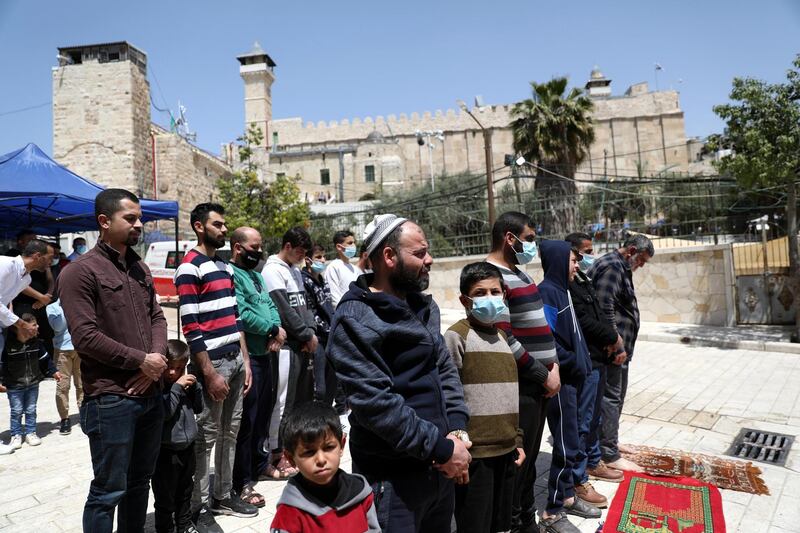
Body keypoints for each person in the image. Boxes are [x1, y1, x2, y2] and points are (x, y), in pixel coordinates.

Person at [327, 213, 471, 533]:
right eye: (419, 253)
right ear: (389, 257)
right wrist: (442, 448)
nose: (430, 259)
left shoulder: (422, 307)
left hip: (439, 468)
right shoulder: (354, 318)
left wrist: (457, 432)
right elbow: (376, 405)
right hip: (394, 482)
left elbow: (443, 368)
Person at [59, 188, 168, 532]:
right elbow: (86, 338)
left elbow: (158, 318)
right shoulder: (80, 272)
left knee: (139, 483)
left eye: (140, 218)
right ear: (104, 222)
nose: (139, 224)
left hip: (150, 393)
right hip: (110, 400)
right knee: (108, 491)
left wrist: (157, 361)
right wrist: (141, 361)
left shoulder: (139, 267)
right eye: (131, 218)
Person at [174, 202, 257, 532]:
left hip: (235, 360)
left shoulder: (223, 266)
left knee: (230, 432)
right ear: (199, 226)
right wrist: (208, 372)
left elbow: (235, 318)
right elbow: (190, 325)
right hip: (213, 363)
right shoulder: (189, 267)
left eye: (225, 225)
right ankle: (197, 508)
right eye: (218, 225)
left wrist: (246, 361)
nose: (224, 230)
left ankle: (222, 495)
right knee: (206, 437)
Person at [484, 211, 560, 533]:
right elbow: (504, 336)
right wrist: (544, 375)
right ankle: (512, 524)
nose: (533, 245)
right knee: (518, 464)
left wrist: (553, 364)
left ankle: (527, 523)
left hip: (540, 385)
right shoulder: (490, 278)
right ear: (510, 239)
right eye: (529, 238)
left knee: (528, 468)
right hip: (523, 388)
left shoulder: (521, 273)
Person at [444, 262, 526, 533]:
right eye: (480, 293)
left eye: (495, 291)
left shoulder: (503, 336)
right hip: (475, 454)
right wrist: (457, 442)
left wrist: (517, 439)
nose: (489, 298)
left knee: (501, 524)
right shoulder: (457, 335)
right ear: (464, 300)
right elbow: (448, 391)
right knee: (474, 522)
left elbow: (510, 394)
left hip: (506, 451)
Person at [537, 241, 599, 532]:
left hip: (574, 380)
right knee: (564, 445)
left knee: (573, 443)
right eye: (573, 260)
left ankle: (568, 496)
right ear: (559, 261)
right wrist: (572, 361)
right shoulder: (547, 292)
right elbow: (547, 340)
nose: (577, 265)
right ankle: (552, 511)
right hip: (562, 382)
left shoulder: (563, 290)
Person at [564, 233, 624, 497]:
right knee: (584, 420)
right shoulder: (565, 288)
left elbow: (598, 313)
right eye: (582, 254)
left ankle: (593, 460)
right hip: (586, 359)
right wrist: (612, 337)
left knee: (594, 416)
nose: (586, 259)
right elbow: (584, 321)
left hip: (598, 358)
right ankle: (579, 475)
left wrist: (611, 343)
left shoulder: (583, 280)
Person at [229, 227, 286, 503]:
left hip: (267, 354)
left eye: (261, 247)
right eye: (254, 247)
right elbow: (242, 313)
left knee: (263, 415)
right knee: (247, 422)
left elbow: (270, 306)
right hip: (249, 357)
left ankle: (260, 464)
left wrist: (276, 329)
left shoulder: (257, 275)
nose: (259, 252)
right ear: (238, 248)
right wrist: (271, 329)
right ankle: (242, 481)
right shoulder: (233, 275)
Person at [589, 234, 654, 474]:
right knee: (611, 397)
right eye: (642, 260)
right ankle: (609, 453)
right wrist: (615, 343)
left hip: (616, 348)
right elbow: (605, 306)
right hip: (612, 350)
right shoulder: (614, 267)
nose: (641, 265)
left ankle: (609, 441)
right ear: (632, 251)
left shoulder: (617, 265)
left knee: (612, 396)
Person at [270, 401, 380, 533]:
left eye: (328, 447)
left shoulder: (361, 493)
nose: (321, 460)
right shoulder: (289, 514)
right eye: (309, 452)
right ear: (290, 458)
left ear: (342, 445)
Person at [262, 227, 318, 478]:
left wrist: (310, 332)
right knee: (282, 402)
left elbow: (305, 307)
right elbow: (284, 310)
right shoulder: (272, 270)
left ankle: (289, 448)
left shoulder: (294, 271)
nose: (303, 256)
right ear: (287, 246)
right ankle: (275, 453)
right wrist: (306, 335)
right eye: (300, 251)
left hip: (303, 344)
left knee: (298, 401)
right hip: (285, 346)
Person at [152, 339, 204, 533]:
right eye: (170, 367)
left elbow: (198, 408)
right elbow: (165, 414)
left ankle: (184, 525)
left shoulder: (184, 385)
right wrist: (176, 388)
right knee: (165, 497)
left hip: (187, 449)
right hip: (166, 452)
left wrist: (196, 388)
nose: (173, 373)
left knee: (185, 491)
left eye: (179, 368)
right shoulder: (159, 387)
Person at [2, 313, 61, 449]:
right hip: (15, 386)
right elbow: (2, 365)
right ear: (21, 328)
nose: (38, 326)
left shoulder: (37, 344)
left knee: (31, 409)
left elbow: (46, 360)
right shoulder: (8, 346)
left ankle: (30, 432)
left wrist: (54, 372)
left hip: (33, 384)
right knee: (16, 411)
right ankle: (16, 435)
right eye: (34, 324)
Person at [301, 244, 336, 405]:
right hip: (317, 338)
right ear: (308, 260)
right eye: (318, 257)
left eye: (324, 256)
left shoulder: (322, 279)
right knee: (319, 387)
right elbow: (311, 311)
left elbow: (329, 306)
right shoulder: (304, 281)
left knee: (332, 384)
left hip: (330, 336)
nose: (323, 260)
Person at [46, 297, 83, 435]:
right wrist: (66, 306)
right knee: (63, 386)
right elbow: (59, 326)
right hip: (62, 350)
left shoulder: (79, 301)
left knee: (81, 384)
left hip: (80, 348)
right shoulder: (52, 308)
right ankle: (65, 419)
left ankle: (83, 412)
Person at [324, 230, 362, 308]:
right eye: (350, 243)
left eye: (354, 242)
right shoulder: (333, 267)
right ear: (339, 247)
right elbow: (334, 298)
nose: (354, 245)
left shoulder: (355, 269)